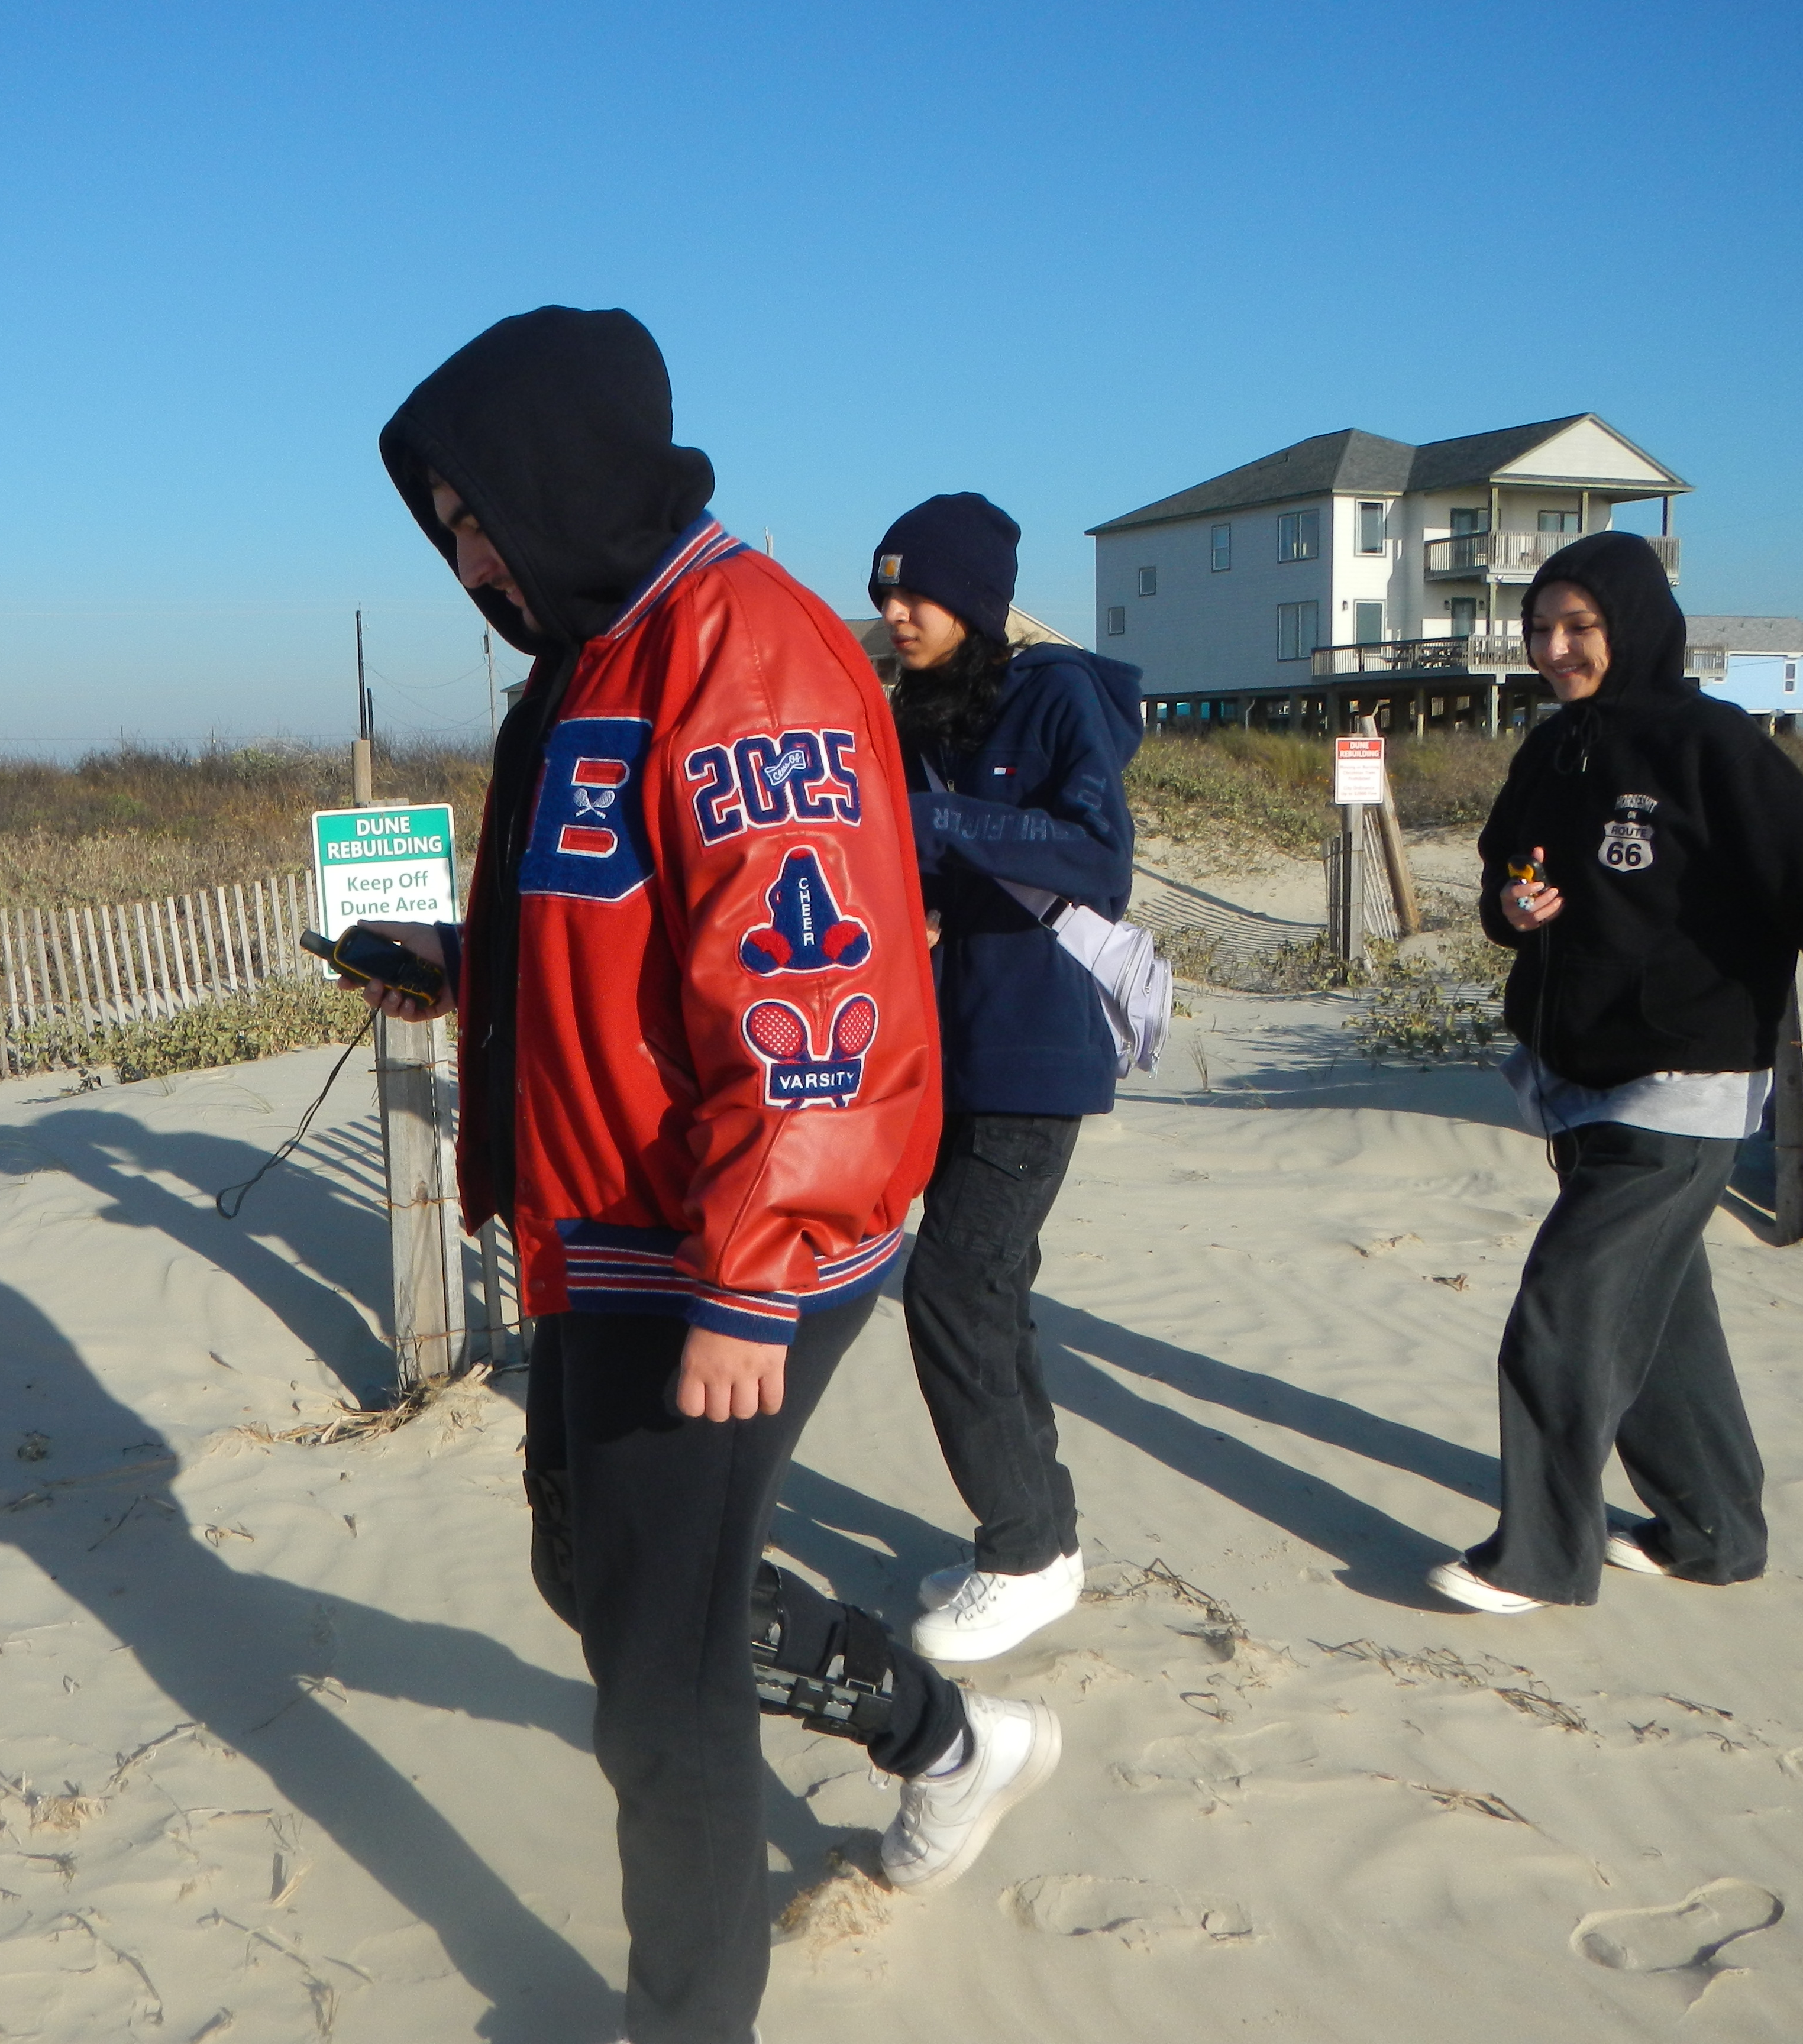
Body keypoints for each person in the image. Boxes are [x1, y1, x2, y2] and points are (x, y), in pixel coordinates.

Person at [364, 308, 1062, 2044]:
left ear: (562, 476)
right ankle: (951, 1741)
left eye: (482, 513)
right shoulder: (592, 658)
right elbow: (635, 939)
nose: (471, 556)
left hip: (727, 1242)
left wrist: (762, 1265)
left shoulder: (737, 644)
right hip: (603, 1229)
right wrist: (464, 969)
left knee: (659, 1701)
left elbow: (815, 989)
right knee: (582, 1572)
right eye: (444, 526)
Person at [1432, 530, 1803, 1615]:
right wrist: (1513, 910)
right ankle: (1712, 1530)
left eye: (1580, 628)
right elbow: (1503, 880)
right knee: (1655, 1320)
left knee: (1567, 1312)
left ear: (1633, 625)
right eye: (1541, 631)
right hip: (1573, 1078)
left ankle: (1539, 1558)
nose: (1557, 649)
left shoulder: (1715, 747)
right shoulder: (1551, 750)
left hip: (1686, 1080)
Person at [868, 497, 1144, 1664]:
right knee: (987, 1296)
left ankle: (1024, 1553)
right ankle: (1044, 1537)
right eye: (883, 593)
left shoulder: (1055, 694)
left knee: (950, 1290)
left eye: (914, 594)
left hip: (1038, 1044)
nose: (894, 614)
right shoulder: (915, 706)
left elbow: (1098, 858)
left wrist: (938, 818)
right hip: (951, 1043)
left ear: (973, 601)